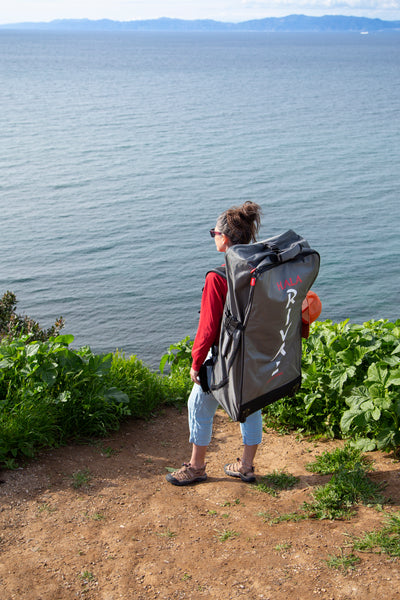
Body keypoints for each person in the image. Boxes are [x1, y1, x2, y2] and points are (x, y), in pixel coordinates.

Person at [166, 201, 263, 486]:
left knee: (198, 403)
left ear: (226, 238)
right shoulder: (261, 268)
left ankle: (196, 467)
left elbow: (208, 328)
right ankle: (246, 466)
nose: (213, 237)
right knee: (251, 405)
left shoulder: (218, 278)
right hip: (255, 352)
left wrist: (197, 363)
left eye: (214, 233)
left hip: (223, 355)